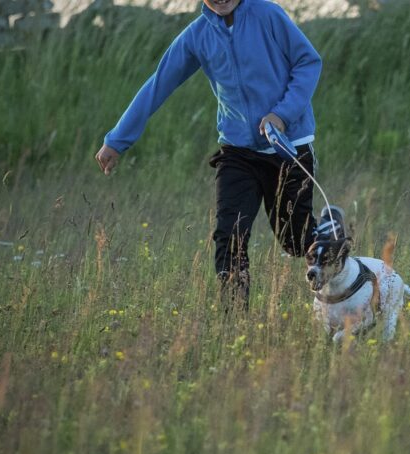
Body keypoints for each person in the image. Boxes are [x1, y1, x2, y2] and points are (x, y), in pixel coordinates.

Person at [94, 0, 344, 312]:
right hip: (237, 153)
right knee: (230, 236)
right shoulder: (197, 35)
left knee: (295, 243)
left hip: (288, 146)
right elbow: (159, 84)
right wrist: (117, 139)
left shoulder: (268, 14)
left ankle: (329, 233)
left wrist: (281, 115)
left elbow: (309, 62)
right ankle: (234, 325)